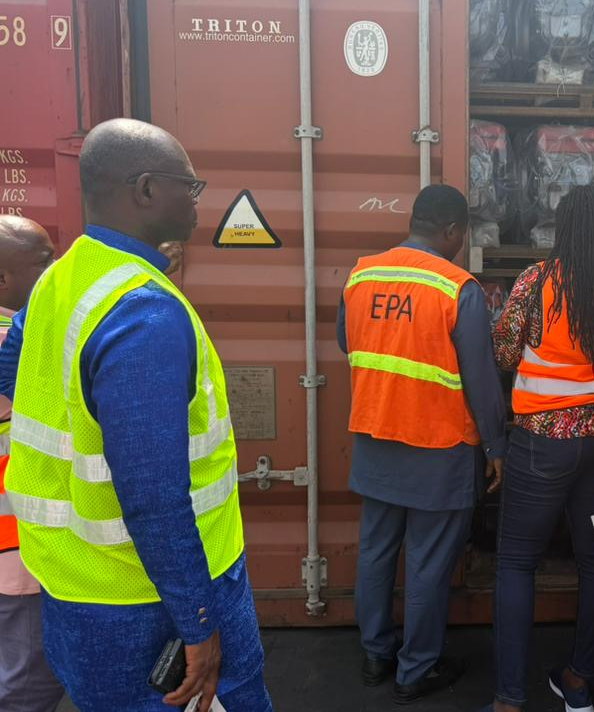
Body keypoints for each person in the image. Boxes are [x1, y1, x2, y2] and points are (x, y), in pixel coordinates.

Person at [0, 118, 271, 712]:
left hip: (75, 588)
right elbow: (153, 497)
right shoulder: (142, 312)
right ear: (146, 190)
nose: (197, 200)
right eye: (188, 186)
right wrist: (199, 623)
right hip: (151, 603)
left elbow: (12, 374)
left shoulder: (61, 278)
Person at [482, 185, 594, 712]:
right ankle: (580, 679)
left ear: (564, 230)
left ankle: (509, 700)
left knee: (517, 563)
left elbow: (503, 351)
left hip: (542, 444)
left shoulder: (537, 281)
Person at [338, 183, 506, 705]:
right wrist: (496, 447)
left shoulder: (362, 275)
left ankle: (375, 654)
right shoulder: (457, 288)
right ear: (452, 230)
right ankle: (416, 669)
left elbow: (348, 341)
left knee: (376, 551)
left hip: (376, 437)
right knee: (428, 562)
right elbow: (481, 378)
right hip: (439, 445)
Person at [0, 217, 64, 712]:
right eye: (43, 262)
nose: (55, 270)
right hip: (18, 553)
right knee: (28, 686)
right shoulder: (17, 342)